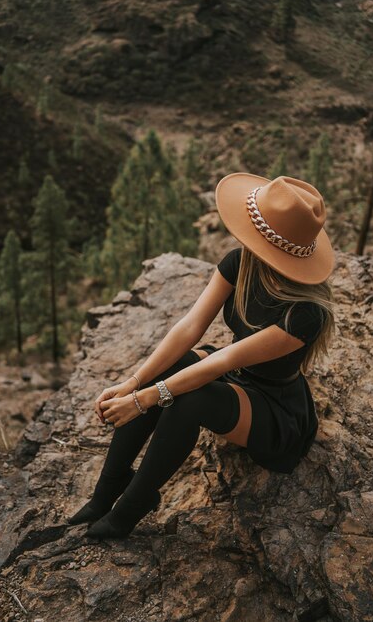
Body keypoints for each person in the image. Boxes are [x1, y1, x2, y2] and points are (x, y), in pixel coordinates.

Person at [66, 172, 336, 540]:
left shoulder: (305, 315)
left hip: (274, 409)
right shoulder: (240, 263)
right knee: (175, 370)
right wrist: (132, 382)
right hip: (235, 380)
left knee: (189, 398)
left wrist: (143, 400)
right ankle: (106, 492)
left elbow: (224, 361)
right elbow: (190, 326)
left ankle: (134, 502)